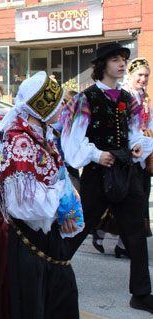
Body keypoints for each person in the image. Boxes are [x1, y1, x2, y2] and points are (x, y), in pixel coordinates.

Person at [0, 71, 81, 319]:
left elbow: (55, 179)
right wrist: (60, 201)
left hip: (43, 233)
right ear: (42, 107)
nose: (62, 109)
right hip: (23, 239)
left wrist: (67, 210)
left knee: (58, 294)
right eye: (58, 103)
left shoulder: (43, 134)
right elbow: (25, 204)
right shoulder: (20, 139)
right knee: (26, 302)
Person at [61, 43, 153, 314]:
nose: (122, 64)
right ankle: (50, 276)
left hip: (126, 173)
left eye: (123, 59)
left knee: (136, 234)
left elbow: (136, 131)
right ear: (103, 66)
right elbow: (72, 140)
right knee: (79, 228)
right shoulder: (85, 99)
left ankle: (141, 293)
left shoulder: (129, 99)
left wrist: (137, 146)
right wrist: (96, 155)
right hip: (98, 175)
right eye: (116, 60)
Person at [92, 58, 152, 258]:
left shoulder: (144, 100)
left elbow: (143, 128)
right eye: (140, 75)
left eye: (146, 76)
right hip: (115, 161)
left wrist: (143, 142)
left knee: (137, 207)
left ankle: (123, 246)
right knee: (112, 205)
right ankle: (99, 231)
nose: (143, 79)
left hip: (139, 159)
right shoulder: (123, 97)